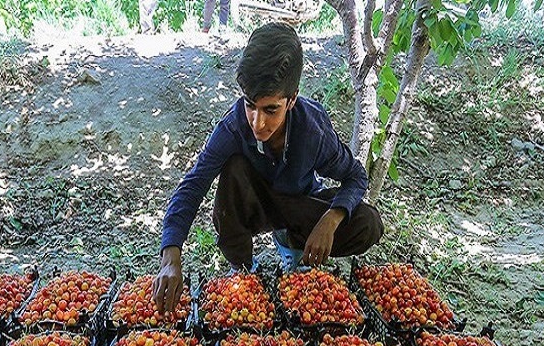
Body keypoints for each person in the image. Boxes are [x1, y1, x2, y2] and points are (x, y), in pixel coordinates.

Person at [152, 22, 383, 313]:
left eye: (271, 109)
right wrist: (171, 254)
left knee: (368, 222)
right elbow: (194, 184)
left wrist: (332, 218)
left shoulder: (313, 131)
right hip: (256, 203)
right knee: (232, 167)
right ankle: (245, 269)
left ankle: (293, 247)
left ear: (292, 99)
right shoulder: (234, 127)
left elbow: (356, 176)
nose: (257, 122)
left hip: (298, 204)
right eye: (250, 105)